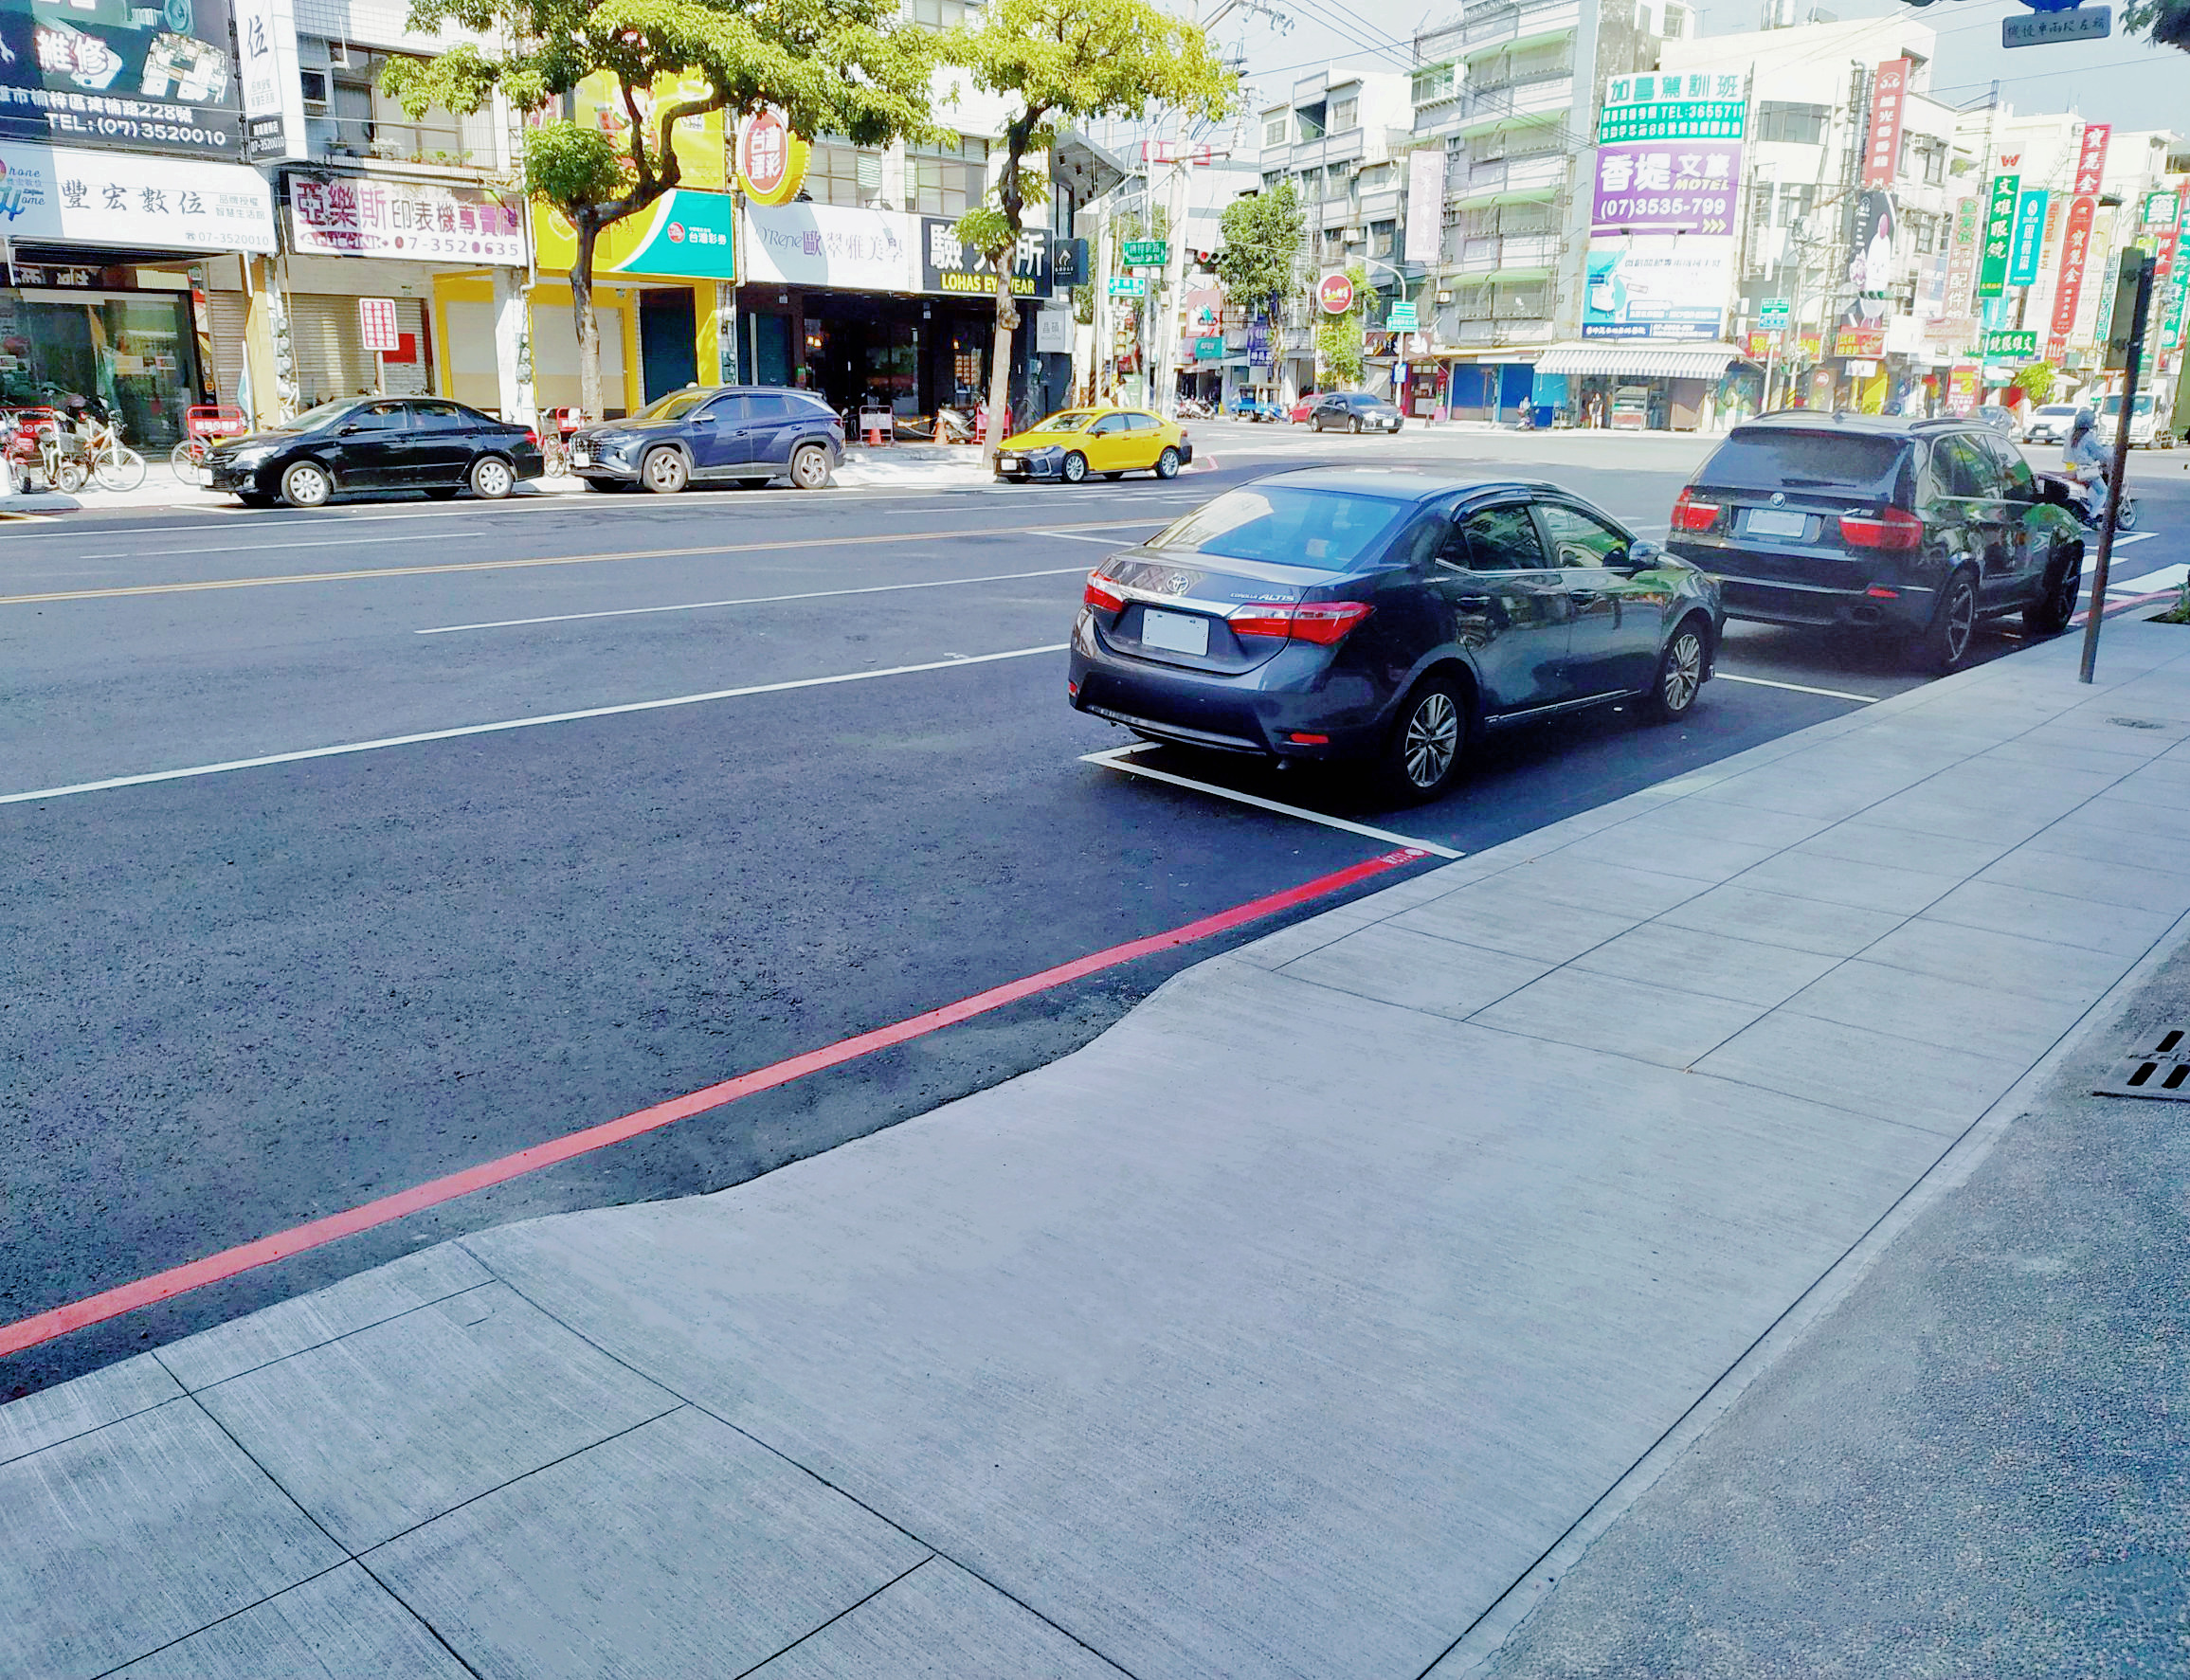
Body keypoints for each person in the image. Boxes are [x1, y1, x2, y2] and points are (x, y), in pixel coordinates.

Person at [2063, 408, 2109, 519]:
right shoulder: (2088, 437)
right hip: (2086, 469)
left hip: (2072, 468)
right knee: (2104, 492)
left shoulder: (2072, 435)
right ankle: (2092, 516)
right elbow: (2100, 452)